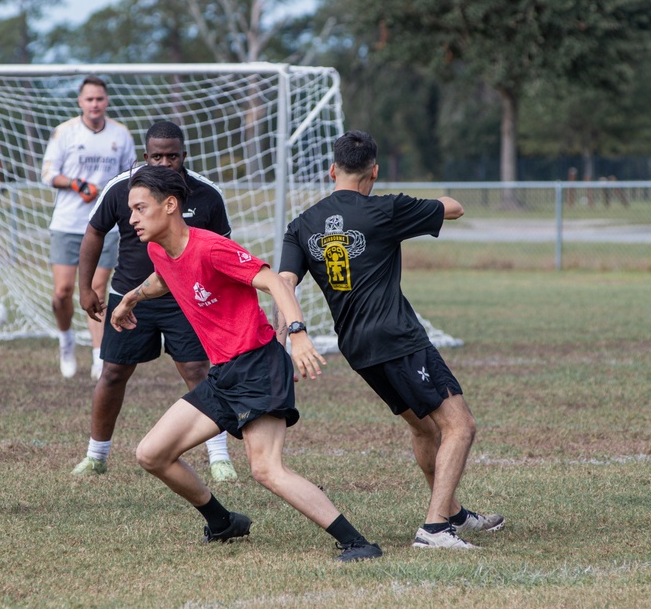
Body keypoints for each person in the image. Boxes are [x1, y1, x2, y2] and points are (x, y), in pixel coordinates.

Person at [110, 165, 382, 562]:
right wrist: (131, 297)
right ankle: (222, 522)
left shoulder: (210, 247)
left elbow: (273, 280)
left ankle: (358, 543)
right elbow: (164, 279)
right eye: (130, 209)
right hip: (224, 374)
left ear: (169, 205)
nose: (131, 218)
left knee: (266, 469)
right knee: (152, 453)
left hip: (258, 365)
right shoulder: (158, 248)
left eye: (139, 208)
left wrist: (299, 332)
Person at [278, 130, 504, 550]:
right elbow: (453, 208)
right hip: (398, 339)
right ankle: (436, 529)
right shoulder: (386, 209)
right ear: (374, 172)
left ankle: (451, 511)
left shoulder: (302, 225)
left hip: (356, 348)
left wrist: (296, 332)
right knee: (460, 426)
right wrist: (410, 204)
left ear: (332, 170)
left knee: (423, 428)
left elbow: (283, 283)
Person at [73, 121, 237, 482]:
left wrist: (218, 302)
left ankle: (220, 457)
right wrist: (86, 288)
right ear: (145, 157)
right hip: (131, 298)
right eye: (157, 156)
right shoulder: (121, 189)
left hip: (187, 298)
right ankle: (96, 455)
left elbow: (224, 251)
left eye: (173, 156)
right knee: (113, 373)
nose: (165, 162)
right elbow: (94, 232)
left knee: (198, 373)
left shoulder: (207, 194)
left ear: (184, 155)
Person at [40, 75, 136, 379]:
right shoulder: (64, 132)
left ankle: (98, 356)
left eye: (100, 99)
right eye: (89, 99)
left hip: (106, 227)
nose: (95, 104)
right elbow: (48, 174)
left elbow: (132, 177)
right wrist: (77, 184)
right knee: (63, 291)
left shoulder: (121, 134)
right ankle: (66, 340)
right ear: (80, 102)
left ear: (107, 101)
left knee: (97, 290)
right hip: (68, 224)